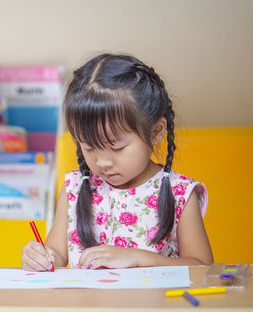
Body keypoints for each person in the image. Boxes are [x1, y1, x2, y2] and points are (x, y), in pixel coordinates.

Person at [22, 53, 214, 271]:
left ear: (156, 132)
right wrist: (40, 258)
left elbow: (202, 268)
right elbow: (55, 255)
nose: (102, 162)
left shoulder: (179, 193)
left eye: (116, 147)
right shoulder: (74, 190)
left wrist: (138, 258)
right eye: (89, 147)